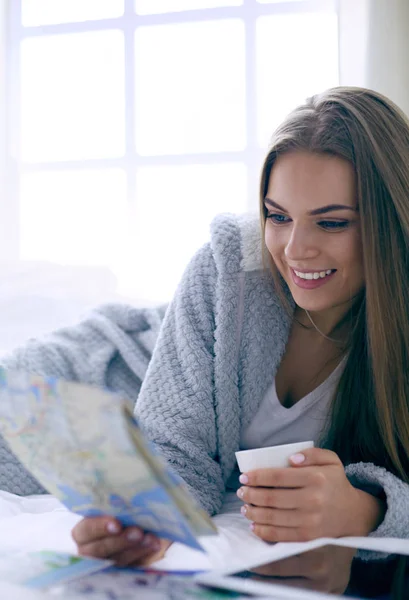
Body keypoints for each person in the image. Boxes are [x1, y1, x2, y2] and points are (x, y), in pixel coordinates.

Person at [2, 86, 409, 567]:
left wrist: (366, 510)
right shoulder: (232, 266)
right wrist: (153, 519)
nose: (295, 250)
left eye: (332, 223)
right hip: (89, 379)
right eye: (277, 216)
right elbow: (173, 448)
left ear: (391, 221)